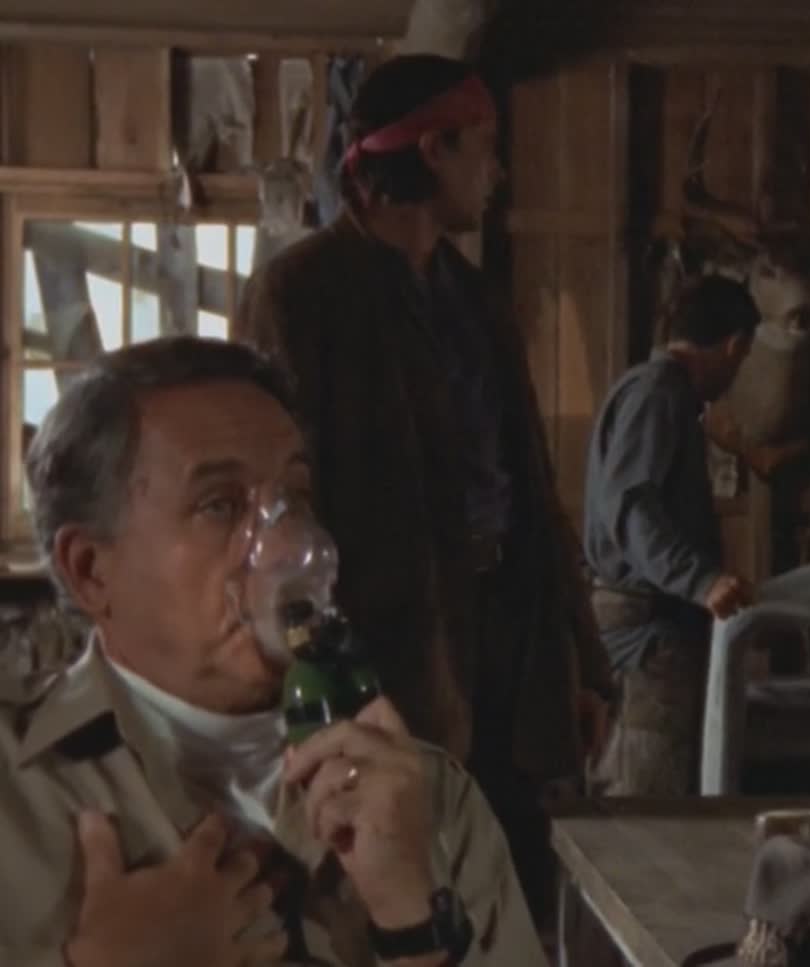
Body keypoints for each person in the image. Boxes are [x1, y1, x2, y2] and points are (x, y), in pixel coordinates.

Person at [1, 337, 544, 965]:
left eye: (295, 499)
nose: (286, 545)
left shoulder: (425, 798)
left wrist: (414, 922)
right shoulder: (16, 792)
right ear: (90, 570)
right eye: (220, 506)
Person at [239, 54, 612, 930]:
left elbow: (532, 488)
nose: (498, 170)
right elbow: (275, 506)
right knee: (393, 898)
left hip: (510, 643)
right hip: (385, 656)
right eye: (484, 146)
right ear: (433, 149)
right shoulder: (303, 293)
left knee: (513, 894)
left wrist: (581, 659)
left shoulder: (475, 298)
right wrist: (305, 672)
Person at [583, 275, 760, 795]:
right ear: (734, 346)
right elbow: (630, 506)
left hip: (652, 625)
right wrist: (701, 580)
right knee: (646, 796)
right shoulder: (659, 391)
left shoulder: (657, 391)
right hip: (648, 633)